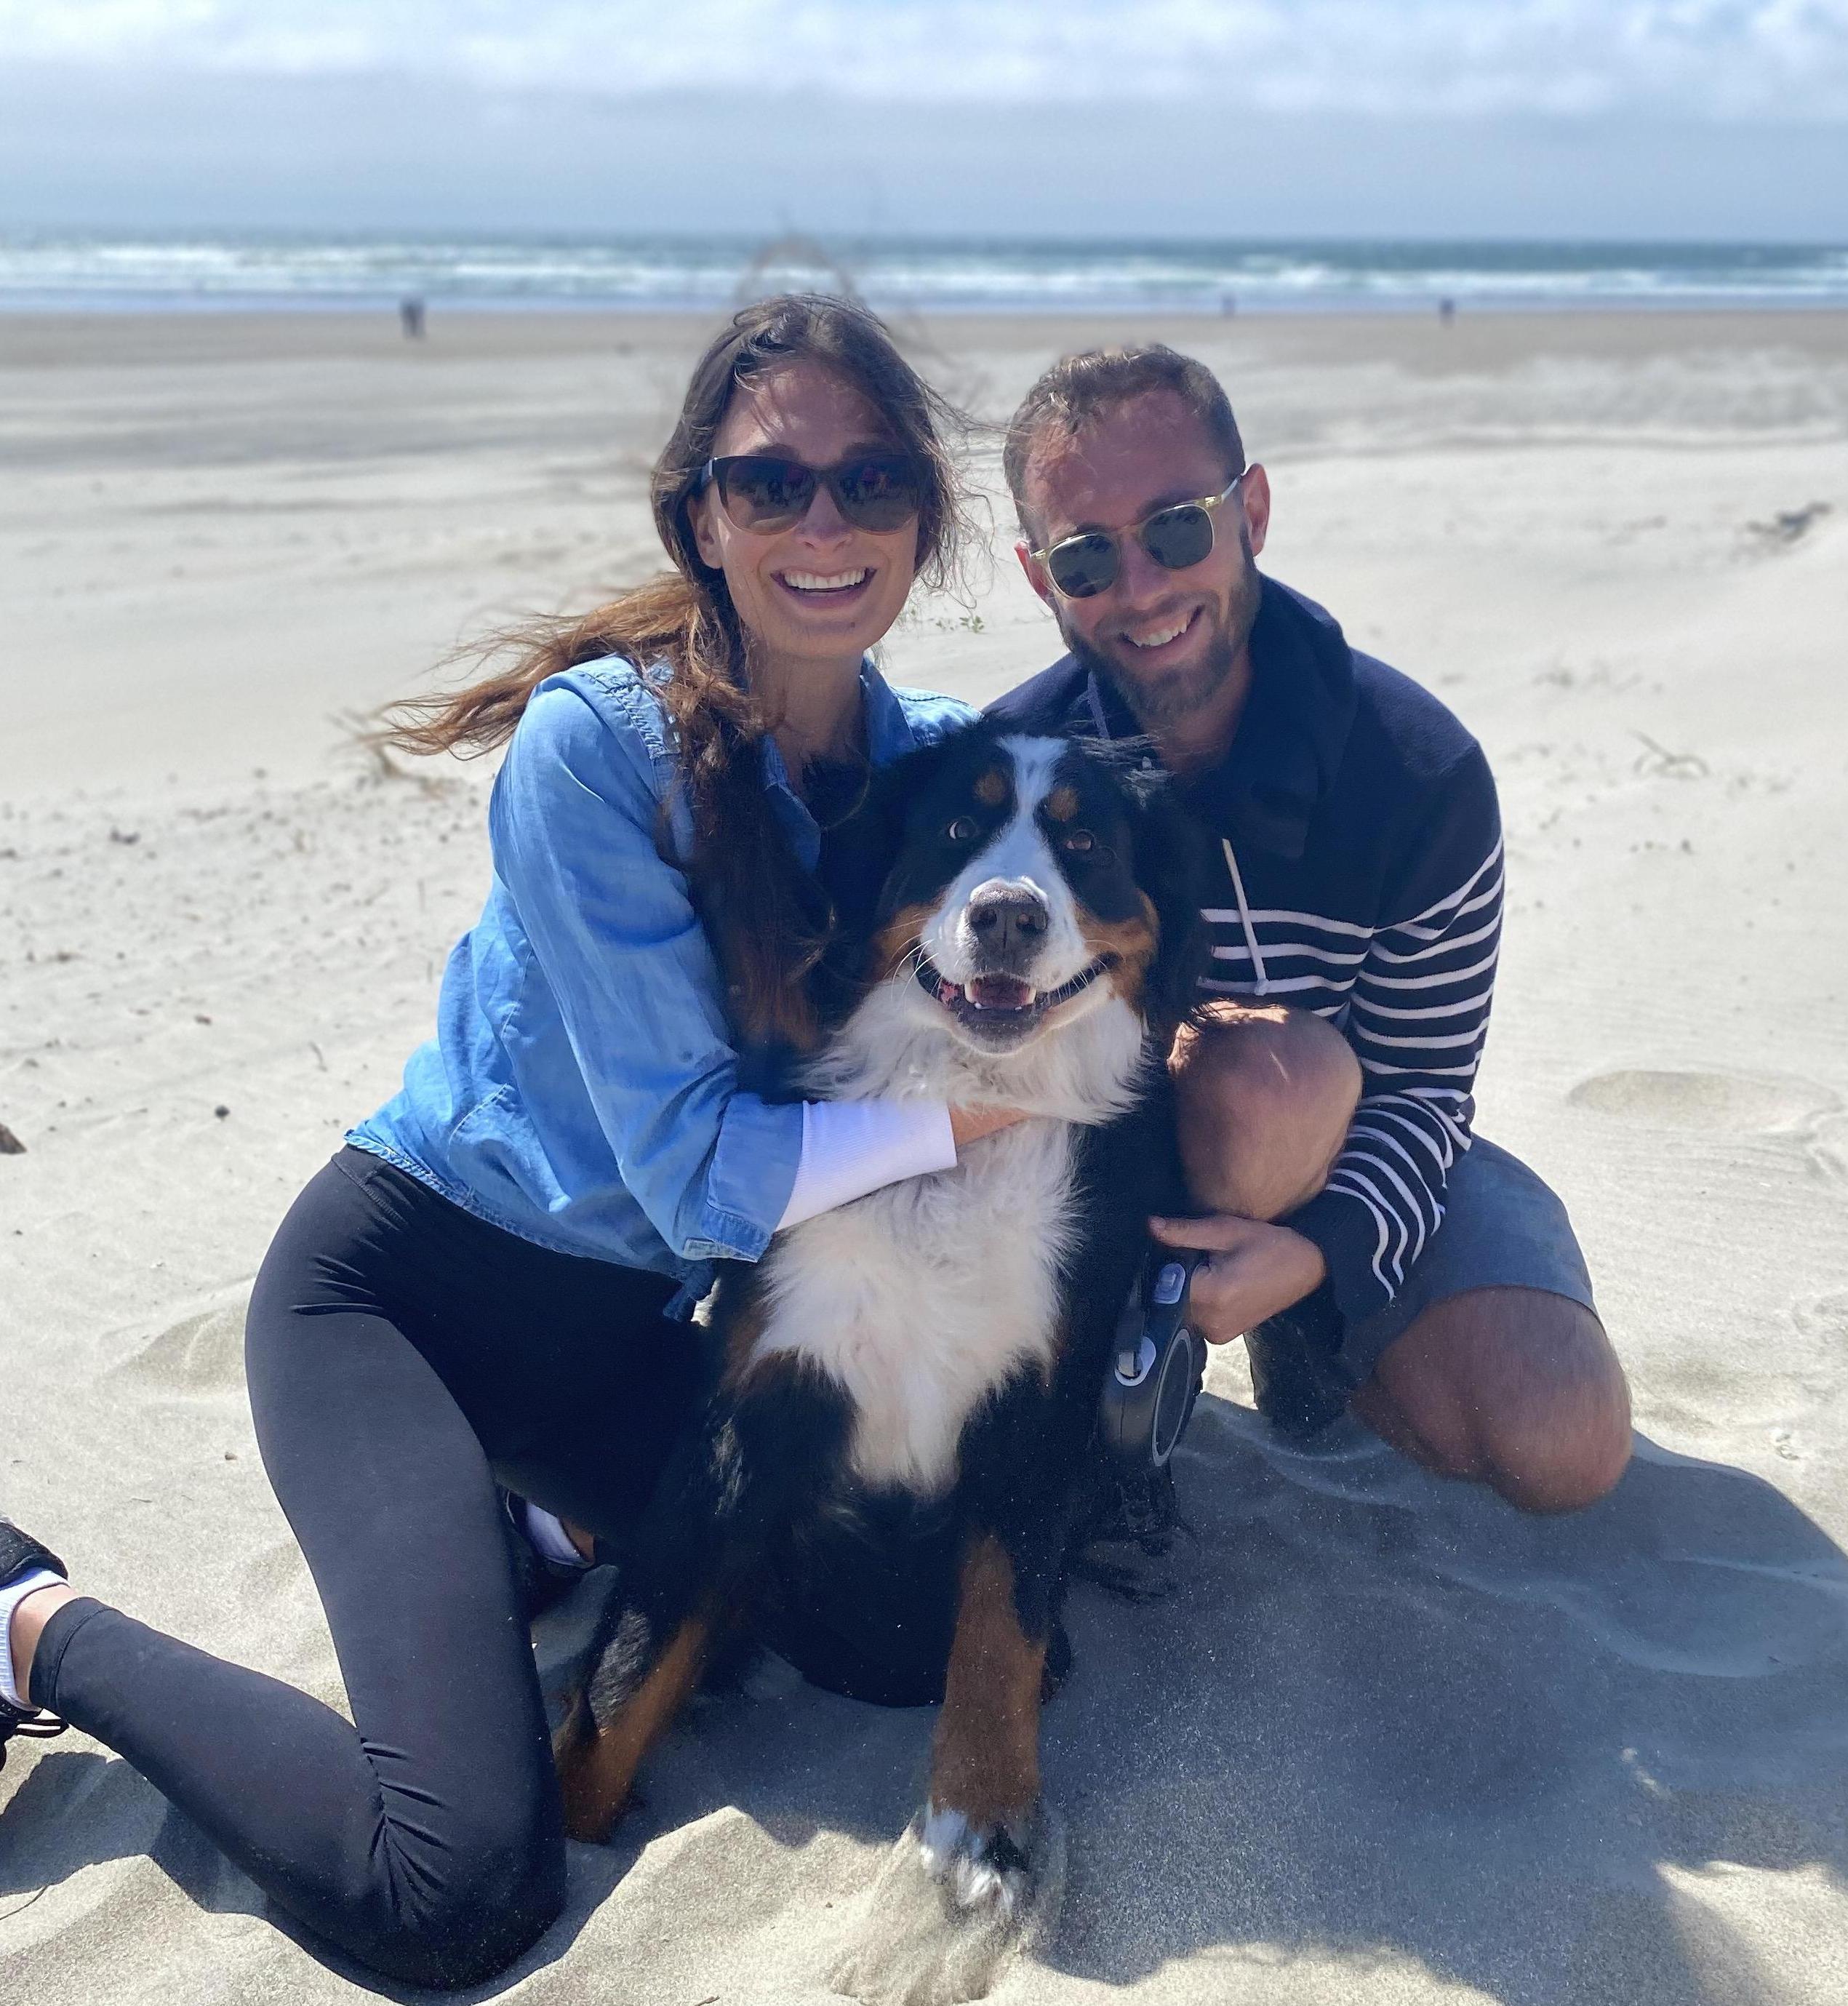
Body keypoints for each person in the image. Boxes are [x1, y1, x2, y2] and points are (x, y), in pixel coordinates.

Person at [0, 295, 1031, 1989]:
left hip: (618, 1343)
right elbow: (696, 1175)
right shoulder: (599, 751)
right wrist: (968, 1107)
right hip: (399, 1306)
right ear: (698, 513)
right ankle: (35, 1623)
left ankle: (542, 1530)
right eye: (771, 485)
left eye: (866, 482)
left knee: (884, 1637)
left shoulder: (926, 764)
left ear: (927, 510)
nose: (822, 525)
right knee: (461, 1886)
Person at [988, 345, 1633, 1515]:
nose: (1139, 586)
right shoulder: (1011, 777)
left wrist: (1323, 1248)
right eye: (1087, 555)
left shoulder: (1416, 772)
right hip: (1111, 1167)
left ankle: (1300, 1344)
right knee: (1256, 1080)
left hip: (1362, 1140)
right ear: (1040, 580)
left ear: (1253, 513)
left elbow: (1427, 1089)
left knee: (1561, 1439)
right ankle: (1144, 1364)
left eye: (1177, 529)